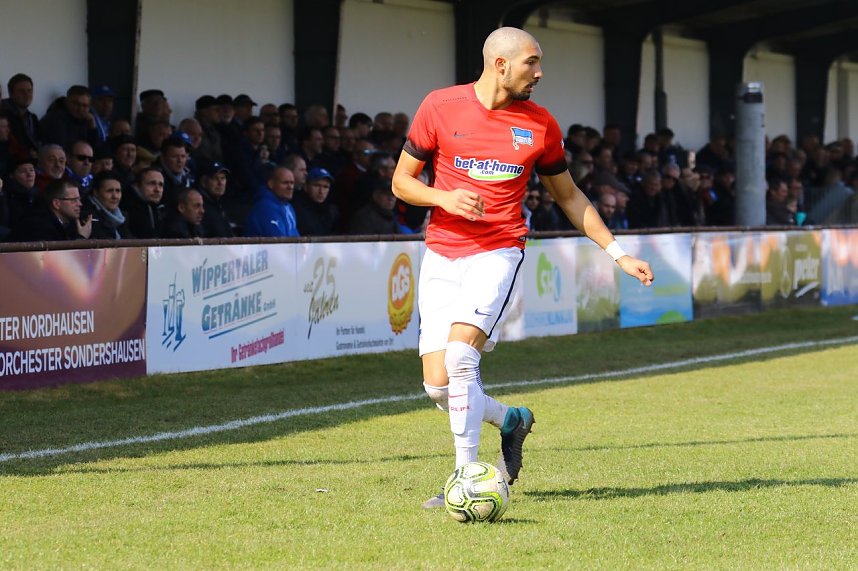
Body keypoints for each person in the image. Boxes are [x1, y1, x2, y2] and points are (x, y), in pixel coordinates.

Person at [391, 27, 653, 509]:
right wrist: (443, 196)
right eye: (532, 62)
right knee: (436, 385)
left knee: (461, 359)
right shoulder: (439, 107)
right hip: (442, 251)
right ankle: (510, 419)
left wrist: (619, 253)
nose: (540, 72)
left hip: (498, 250)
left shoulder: (540, 125)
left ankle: (464, 477)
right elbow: (401, 183)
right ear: (501, 65)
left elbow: (570, 196)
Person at [11, 179, 92, 242]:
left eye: (79, 199)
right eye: (74, 200)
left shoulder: (71, 225)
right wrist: (81, 238)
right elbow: (55, 260)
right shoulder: (38, 226)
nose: (80, 204)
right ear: (56, 203)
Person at [244, 166, 299, 237]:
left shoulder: (289, 207)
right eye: (285, 183)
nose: (290, 187)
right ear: (271, 184)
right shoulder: (264, 208)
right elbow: (276, 241)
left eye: (292, 183)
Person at [82, 171, 132, 239]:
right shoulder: (87, 215)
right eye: (109, 191)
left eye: (118, 191)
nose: (115, 196)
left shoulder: (122, 217)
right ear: (96, 192)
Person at [292, 167, 338, 236]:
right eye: (316, 185)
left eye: (325, 187)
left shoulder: (331, 211)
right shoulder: (296, 209)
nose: (321, 191)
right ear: (306, 187)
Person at [122, 167, 165, 238]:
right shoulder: (126, 208)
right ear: (136, 186)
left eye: (160, 185)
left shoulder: (160, 208)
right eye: (152, 183)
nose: (157, 189)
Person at [196, 160, 235, 237]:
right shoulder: (199, 206)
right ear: (203, 181)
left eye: (223, 178)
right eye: (215, 178)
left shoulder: (218, 204)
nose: (220, 183)